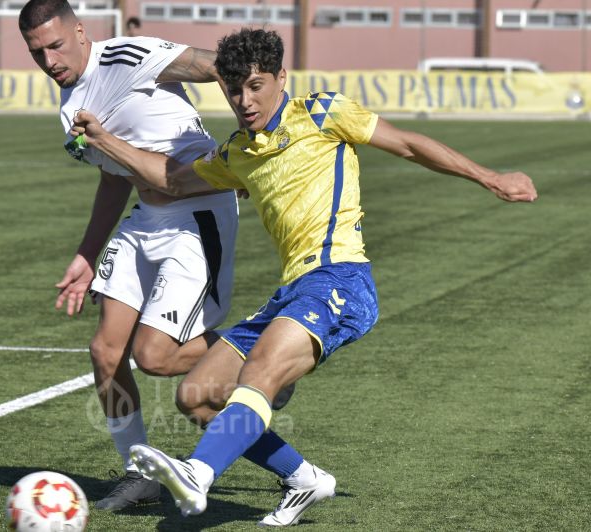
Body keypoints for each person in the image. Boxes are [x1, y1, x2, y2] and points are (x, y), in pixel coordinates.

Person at [70, 28, 538, 526]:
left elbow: (407, 145)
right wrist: (104, 140)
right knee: (197, 396)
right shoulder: (237, 154)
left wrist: (490, 177)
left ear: (280, 79)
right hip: (290, 293)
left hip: (341, 279)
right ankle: (304, 478)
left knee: (258, 373)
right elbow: (168, 179)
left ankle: (198, 473)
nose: (244, 100)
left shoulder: (321, 112)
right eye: (233, 89)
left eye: (255, 85)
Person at [18, 0, 241, 511]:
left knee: (155, 357)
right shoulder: (68, 102)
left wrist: (243, 149)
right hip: (147, 217)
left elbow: (219, 67)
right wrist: (86, 253)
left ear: (80, 31)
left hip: (198, 211)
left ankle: (257, 355)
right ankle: (139, 471)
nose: (49, 60)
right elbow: (113, 175)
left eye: (56, 45)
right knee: (105, 353)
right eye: (37, 52)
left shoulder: (126, 55)